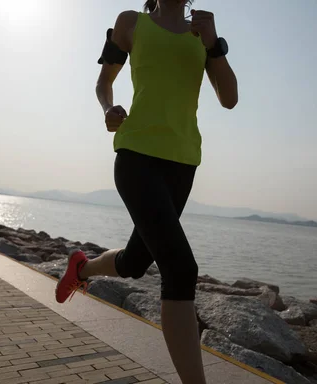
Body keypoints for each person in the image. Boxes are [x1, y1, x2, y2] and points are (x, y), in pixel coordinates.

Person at [56, 1, 238, 382]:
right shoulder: (130, 23)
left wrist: (213, 43)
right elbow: (104, 82)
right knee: (181, 269)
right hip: (136, 156)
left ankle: (82, 268)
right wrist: (108, 109)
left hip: (183, 163)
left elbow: (229, 98)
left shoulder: (201, 32)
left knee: (137, 262)